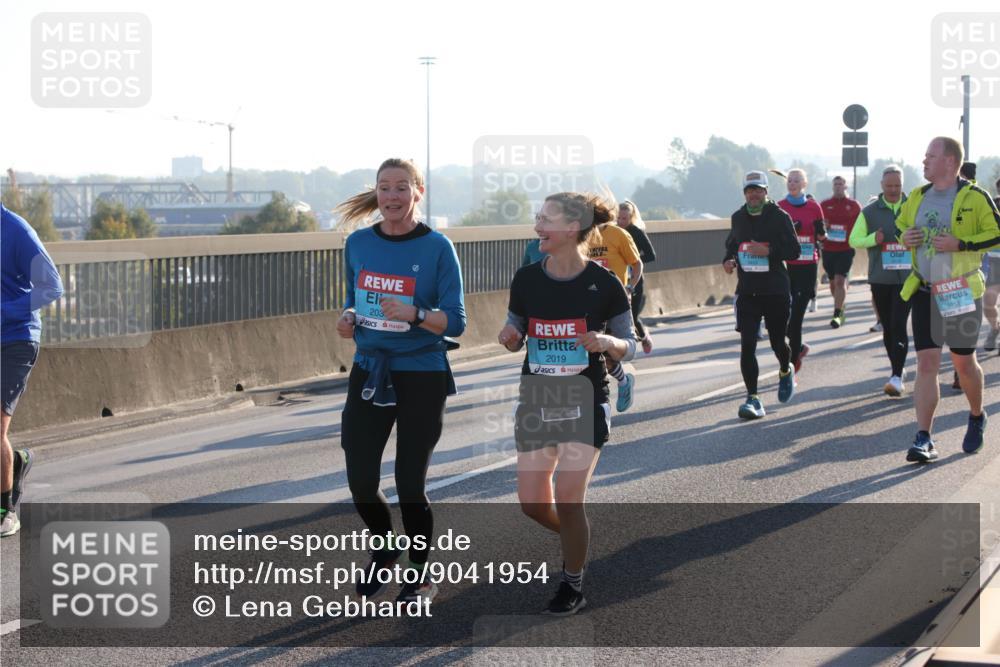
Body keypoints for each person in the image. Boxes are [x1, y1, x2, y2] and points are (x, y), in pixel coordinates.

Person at [334, 158, 466, 602]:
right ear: (376, 194)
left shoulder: (437, 248)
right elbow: (354, 297)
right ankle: (386, 547)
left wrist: (416, 314)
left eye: (401, 187)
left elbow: (457, 322)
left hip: (421, 374)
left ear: (418, 192)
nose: (392, 196)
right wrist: (349, 316)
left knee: (410, 484)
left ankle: (419, 572)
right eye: (385, 188)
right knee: (360, 480)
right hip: (370, 369)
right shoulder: (357, 243)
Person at [498, 191, 636, 616]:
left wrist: (608, 342)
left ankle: (572, 582)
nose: (537, 226)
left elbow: (629, 343)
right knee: (533, 504)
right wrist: (509, 334)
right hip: (538, 398)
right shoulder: (527, 278)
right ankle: (576, 543)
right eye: (537, 218)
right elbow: (516, 325)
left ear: (571, 228)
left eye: (545, 219)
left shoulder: (605, 284)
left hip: (584, 398)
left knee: (570, 498)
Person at [896, 138, 1000, 462]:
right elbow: (901, 225)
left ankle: (976, 414)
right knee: (926, 363)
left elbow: (996, 232)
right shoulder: (917, 196)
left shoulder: (975, 196)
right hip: (925, 289)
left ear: (950, 161)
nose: (924, 161)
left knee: (963, 363)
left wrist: (962, 244)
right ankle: (924, 437)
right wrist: (905, 236)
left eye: (930, 156)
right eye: (925, 155)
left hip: (959, 291)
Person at [1, 203, 64, 537]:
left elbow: (52, 286)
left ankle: (5, 509)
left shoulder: (17, 231)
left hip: (15, 339)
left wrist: (3, 311)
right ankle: (16, 462)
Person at [723, 171, 800, 419]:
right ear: (744, 193)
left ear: (766, 192)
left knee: (778, 342)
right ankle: (753, 398)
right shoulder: (738, 217)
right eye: (749, 190)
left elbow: (794, 250)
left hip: (776, 290)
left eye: (758, 190)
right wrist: (728, 261)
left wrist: (767, 251)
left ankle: (785, 369)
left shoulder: (779, 217)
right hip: (748, 291)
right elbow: (731, 246)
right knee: (747, 345)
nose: (754, 194)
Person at [849, 165, 912, 396]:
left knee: (898, 323)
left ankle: (896, 375)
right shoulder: (870, 211)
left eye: (897, 185)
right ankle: (897, 366)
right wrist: (872, 239)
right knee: (887, 326)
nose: (894, 190)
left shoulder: (912, 207)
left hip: (907, 278)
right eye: (889, 186)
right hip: (880, 278)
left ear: (902, 185)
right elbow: (854, 240)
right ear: (882, 186)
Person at [586, 213, 642, 411]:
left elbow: (637, 264)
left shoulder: (619, 234)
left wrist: (630, 287)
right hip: (591, 301)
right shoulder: (583, 237)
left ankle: (621, 383)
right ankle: (622, 381)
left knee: (609, 352)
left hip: (615, 302)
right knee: (593, 352)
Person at [777, 168, 825, 375]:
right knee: (781, 319)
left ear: (804, 184)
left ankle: (793, 360)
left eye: (797, 180)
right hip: (786, 269)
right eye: (790, 180)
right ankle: (800, 347)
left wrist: (819, 232)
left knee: (796, 318)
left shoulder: (814, 208)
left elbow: (822, 236)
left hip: (807, 267)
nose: (792, 183)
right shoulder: (780, 207)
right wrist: (790, 231)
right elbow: (774, 235)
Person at [820, 176, 862, 328]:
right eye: (835, 184)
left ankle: (837, 313)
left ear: (846, 187)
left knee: (839, 280)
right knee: (832, 283)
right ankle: (840, 305)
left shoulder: (854, 205)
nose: (838, 187)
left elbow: (862, 224)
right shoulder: (824, 205)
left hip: (846, 249)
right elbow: (818, 225)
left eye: (841, 184)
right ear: (832, 187)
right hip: (828, 249)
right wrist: (823, 226)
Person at [617, 200, 656, 354]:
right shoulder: (613, 231)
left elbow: (651, 255)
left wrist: (633, 261)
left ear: (631, 217)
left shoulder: (636, 232)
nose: (621, 222)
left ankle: (644, 336)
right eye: (618, 218)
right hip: (618, 278)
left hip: (634, 278)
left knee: (632, 314)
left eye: (624, 219)